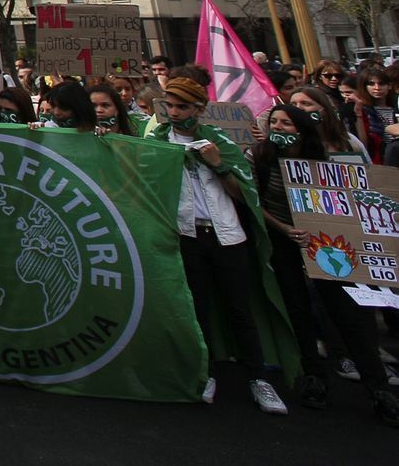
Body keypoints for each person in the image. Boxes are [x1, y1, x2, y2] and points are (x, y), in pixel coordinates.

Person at [251, 103, 399, 422]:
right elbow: (253, 200)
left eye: (286, 124)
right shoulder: (260, 158)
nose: (278, 128)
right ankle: (315, 377)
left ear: (302, 129)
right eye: (274, 122)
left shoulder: (325, 162)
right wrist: (286, 230)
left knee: (348, 314)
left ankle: (378, 387)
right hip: (285, 241)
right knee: (298, 309)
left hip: (328, 244)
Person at [152, 76, 288, 413]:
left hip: (226, 236)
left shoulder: (219, 140)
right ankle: (206, 371)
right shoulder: (158, 142)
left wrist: (218, 164)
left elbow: (245, 196)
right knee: (198, 308)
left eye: (181, 106)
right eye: (169, 105)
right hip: (187, 236)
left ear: (199, 108)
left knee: (238, 308)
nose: (173, 112)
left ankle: (258, 379)